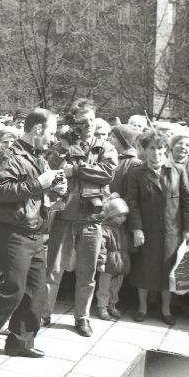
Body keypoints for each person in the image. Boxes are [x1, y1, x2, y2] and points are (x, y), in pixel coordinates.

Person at [0, 108, 66, 364]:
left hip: (35, 230)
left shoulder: (37, 156)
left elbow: (34, 192)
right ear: (37, 129)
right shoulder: (10, 155)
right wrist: (39, 184)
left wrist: (55, 188)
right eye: (50, 132)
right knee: (13, 290)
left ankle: (21, 341)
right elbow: (2, 192)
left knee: (35, 291)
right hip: (15, 231)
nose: (52, 138)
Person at [43, 98, 118, 336]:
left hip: (91, 218)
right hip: (65, 215)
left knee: (87, 272)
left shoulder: (104, 147)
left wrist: (76, 169)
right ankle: (44, 313)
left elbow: (107, 173)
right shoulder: (64, 143)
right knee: (53, 269)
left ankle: (82, 316)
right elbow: (50, 166)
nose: (89, 125)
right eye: (83, 121)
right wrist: (64, 147)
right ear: (74, 122)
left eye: (92, 120)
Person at [126, 130, 189, 325]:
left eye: (160, 148)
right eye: (152, 148)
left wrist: (188, 229)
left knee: (168, 270)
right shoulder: (137, 171)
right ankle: (142, 308)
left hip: (171, 231)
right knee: (144, 269)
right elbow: (132, 203)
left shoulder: (177, 170)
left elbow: (187, 202)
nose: (157, 152)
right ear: (145, 150)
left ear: (166, 149)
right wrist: (137, 229)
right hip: (146, 231)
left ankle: (166, 310)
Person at [95, 194, 131, 321]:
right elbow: (102, 246)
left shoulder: (123, 229)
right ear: (111, 215)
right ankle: (102, 307)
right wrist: (101, 262)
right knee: (104, 287)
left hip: (121, 263)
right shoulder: (106, 229)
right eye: (119, 216)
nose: (123, 219)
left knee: (116, 287)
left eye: (124, 215)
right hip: (109, 263)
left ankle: (112, 305)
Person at [108, 124, 143, 196]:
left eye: (114, 137)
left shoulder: (134, 162)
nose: (109, 138)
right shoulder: (111, 156)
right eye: (110, 135)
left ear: (124, 141)